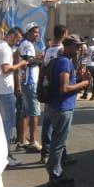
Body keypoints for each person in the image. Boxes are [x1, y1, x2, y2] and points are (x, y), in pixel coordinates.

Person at [44, 36, 91, 187]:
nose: (78, 50)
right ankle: (55, 176)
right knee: (58, 145)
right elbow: (64, 88)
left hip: (54, 106)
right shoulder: (64, 62)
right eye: (76, 47)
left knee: (56, 144)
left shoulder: (59, 60)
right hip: (62, 108)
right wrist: (83, 84)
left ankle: (55, 173)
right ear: (68, 46)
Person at [0, 28, 28, 167]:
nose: (18, 41)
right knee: (7, 125)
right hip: (4, 91)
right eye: (18, 38)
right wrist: (21, 64)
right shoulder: (5, 48)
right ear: (12, 35)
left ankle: (1, 154)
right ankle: (5, 155)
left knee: (0, 124)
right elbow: (6, 69)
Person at [39, 24, 68, 163]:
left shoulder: (48, 49)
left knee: (48, 122)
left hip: (47, 87)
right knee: (59, 126)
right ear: (64, 34)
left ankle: (45, 152)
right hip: (57, 88)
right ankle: (59, 155)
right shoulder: (62, 50)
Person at [18, 24, 45, 154]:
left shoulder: (25, 44)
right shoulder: (27, 45)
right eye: (34, 32)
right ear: (28, 33)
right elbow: (28, 62)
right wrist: (40, 59)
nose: (37, 35)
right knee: (34, 112)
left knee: (26, 112)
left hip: (26, 81)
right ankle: (33, 141)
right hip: (30, 82)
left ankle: (23, 140)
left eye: (38, 32)